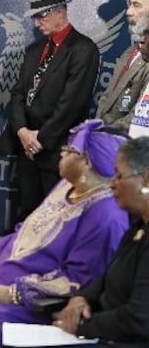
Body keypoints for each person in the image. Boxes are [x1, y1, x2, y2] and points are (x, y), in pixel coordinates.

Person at [0, 120, 130, 348]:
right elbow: (26, 232)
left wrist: (14, 293)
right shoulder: (65, 188)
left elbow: (77, 280)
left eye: (70, 150)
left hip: (33, 304)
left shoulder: (106, 214)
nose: (63, 151)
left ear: (87, 164)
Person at [7, 0, 100, 221]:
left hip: (56, 152)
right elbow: (17, 94)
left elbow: (72, 103)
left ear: (60, 11)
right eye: (35, 17)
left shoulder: (83, 49)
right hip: (26, 151)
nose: (37, 23)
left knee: (54, 221)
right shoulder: (33, 50)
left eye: (41, 16)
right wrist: (22, 132)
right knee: (26, 216)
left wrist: (40, 138)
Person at [54, 136, 149, 346]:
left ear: (146, 180)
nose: (113, 184)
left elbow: (139, 319)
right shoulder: (138, 226)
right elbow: (108, 277)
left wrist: (81, 327)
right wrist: (81, 298)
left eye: (119, 176)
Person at [96, 0, 149, 129]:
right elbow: (106, 98)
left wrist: (104, 133)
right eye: (130, 4)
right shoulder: (130, 52)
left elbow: (139, 120)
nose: (128, 11)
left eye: (137, 5)